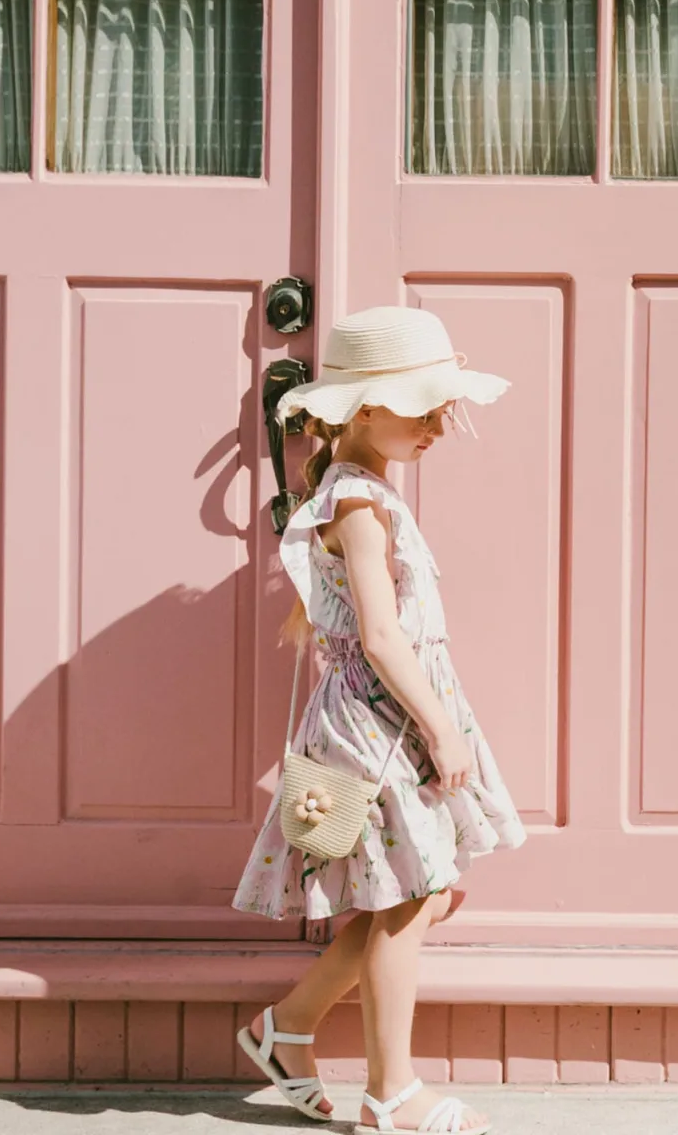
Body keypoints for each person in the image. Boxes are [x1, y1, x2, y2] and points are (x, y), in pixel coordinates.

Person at [231, 305, 526, 1134]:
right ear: (363, 408)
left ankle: (286, 1029)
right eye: (424, 406)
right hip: (380, 723)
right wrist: (442, 728)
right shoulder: (356, 503)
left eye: (444, 406)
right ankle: (391, 1092)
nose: (442, 423)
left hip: (386, 716)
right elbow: (381, 635)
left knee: (425, 895)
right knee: (408, 900)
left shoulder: (362, 491)